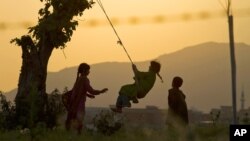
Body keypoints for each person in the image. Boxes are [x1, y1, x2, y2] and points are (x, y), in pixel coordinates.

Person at [65, 63, 108, 134]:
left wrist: (87, 95)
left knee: (71, 121)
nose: (89, 72)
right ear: (85, 70)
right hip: (79, 105)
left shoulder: (78, 79)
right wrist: (101, 91)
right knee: (79, 122)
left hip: (73, 104)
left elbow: (78, 91)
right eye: (88, 70)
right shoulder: (85, 79)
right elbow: (91, 90)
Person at [166, 76, 189, 140]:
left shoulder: (173, 92)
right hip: (182, 119)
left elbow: (173, 106)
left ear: (173, 82)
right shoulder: (180, 94)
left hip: (176, 119)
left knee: (172, 136)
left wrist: (170, 119)